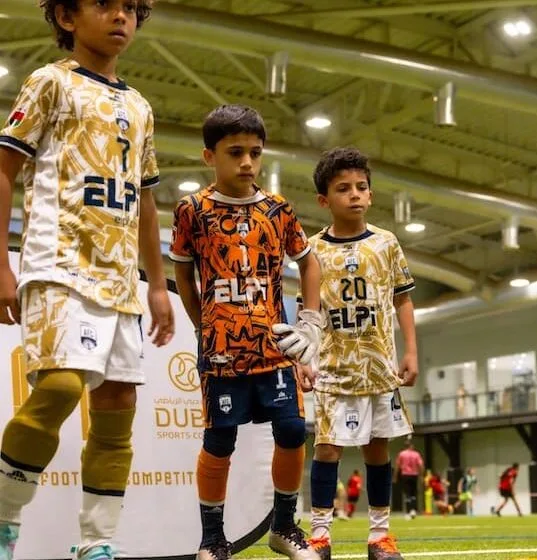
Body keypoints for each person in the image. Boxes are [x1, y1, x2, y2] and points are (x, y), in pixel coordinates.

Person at [0, 2, 175, 560]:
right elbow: (4, 169)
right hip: (58, 261)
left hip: (120, 279)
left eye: (130, 8)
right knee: (58, 387)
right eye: (104, 3)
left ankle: (97, 543)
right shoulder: (49, 82)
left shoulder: (140, 105)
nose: (120, 16)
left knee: (117, 408)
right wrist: (0, 262)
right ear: (67, 17)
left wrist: (156, 283)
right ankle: (3, 521)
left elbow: (146, 199)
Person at [169, 104, 323, 560]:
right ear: (209, 156)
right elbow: (183, 274)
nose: (247, 163)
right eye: (235, 152)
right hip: (221, 352)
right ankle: (212, 539)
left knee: (292, 431)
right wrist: (202, 325)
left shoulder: (278, 210)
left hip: (274, 349)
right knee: (220, 440)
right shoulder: (192, 210)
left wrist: (310, 324)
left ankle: (283, 527)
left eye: (255, 152)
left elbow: (309, 263)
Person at [300, 148, 418, 560]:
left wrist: (411, 351)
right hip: (332, 368)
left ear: (370, 194)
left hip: (379, 367)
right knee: (326, 449)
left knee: (377, 450)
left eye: (361, 187)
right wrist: (304, 359)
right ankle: (319, 536)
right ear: (324, 200)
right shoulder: (312, 249)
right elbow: (308, 310)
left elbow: (403, 299)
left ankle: (380, 536)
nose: (354, 194)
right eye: (343, 188)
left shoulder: (386, 243)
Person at [394, 439, 424, 520]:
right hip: (414, 475)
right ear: (411, 446)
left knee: (407, 494)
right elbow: (421, 465)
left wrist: (395, 476)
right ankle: (413, 510)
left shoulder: (402, 454)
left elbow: (397, 466)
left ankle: (408, 512)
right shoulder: (416, 454)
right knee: (413, 494)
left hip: (405, 475)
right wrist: (421, 475)